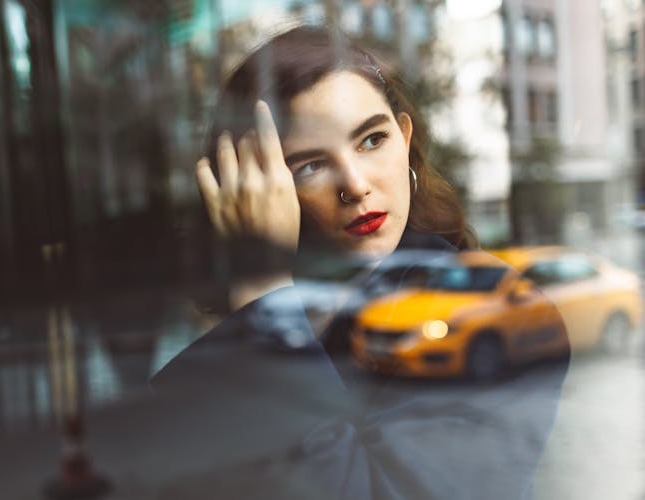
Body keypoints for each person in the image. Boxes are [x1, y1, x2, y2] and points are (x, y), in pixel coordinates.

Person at [143, 26, 568, 500]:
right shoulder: (256, 329)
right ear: (254, 190)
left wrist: (263, 292)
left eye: (371, 140)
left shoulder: (493, 311)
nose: (356, 184)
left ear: (404, 138)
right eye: (309, 165)